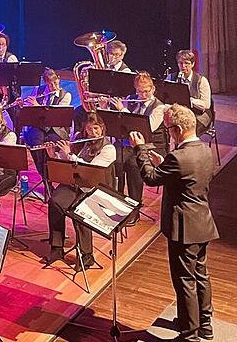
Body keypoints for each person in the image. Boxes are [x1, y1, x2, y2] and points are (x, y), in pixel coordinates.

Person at [130, 105, 217, 342]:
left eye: (169, 129)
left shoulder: (178, 157)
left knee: (184, 280)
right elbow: (187, 179)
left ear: (178, 129)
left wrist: (140, 150)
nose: (168, 133)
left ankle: (190, 334)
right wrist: (163, 163)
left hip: (184, 227)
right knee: (200, 275)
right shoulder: (205, 150)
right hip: (202, 222)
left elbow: (150, 178)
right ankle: (204, 325)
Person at [43, 112, 117, 270]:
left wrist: (69, 154)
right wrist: (54, 155)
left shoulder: (109, 148)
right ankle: (57, 248)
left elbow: (90, 170)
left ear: (102, 128)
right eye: (89, 129)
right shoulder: (80, 139)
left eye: (96, 128)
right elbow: (68, 164)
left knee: (79, 210)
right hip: (75, 183)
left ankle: (86, 255)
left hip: (94, 187)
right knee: (55, 202)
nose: (93, 133)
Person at [110, 71, 166, 206]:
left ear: (153, 89)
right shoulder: (131, 99)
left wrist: (123, 109)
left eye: (147, 91)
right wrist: (107, 106)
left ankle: (135, 203)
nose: (144, 95)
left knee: (133, 165)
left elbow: (147, 128)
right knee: (115, 160)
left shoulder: (159, 107)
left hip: (150, 145)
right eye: (140, 92)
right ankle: (117, 198)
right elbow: (120, 122)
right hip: (129, 143)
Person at [19, 68, 73, 197]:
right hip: (38, 127)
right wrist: (24, 106)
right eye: (50, 84)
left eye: (55, 83)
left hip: (56, 129)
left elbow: (55, 116)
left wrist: (37, 106)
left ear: (58, 79)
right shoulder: (38, 90)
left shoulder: (66, 95)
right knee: (36, 145)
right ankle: (46, 181)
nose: (53, 86)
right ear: (45, 82)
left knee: (50, 146)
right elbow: (30, 113)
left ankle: (53, 179)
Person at [167, 50, 213, 135]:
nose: (183, 66)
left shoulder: (201, 80)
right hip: (178, 113)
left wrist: (189, 100)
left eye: (187, 63)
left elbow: (206, 105)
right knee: (165, 126)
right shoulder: (171, 77)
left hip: (199, 114)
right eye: (180, 63)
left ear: (193, 64)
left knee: (186, 130)